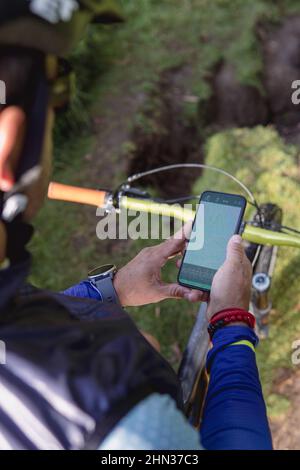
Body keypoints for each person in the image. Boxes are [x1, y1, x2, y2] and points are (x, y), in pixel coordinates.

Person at [0, 1, 272, 450]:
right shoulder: (105, 408)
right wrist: (231, 323)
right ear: (10, 142)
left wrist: (111, 291)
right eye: (60, 88)